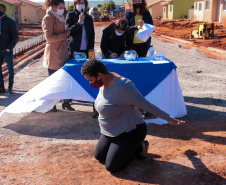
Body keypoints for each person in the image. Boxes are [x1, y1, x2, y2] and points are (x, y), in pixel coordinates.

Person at [81, 59, 185, 173]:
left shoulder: (123, 87)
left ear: (99, 75)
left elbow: (146, 104)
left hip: (129, 131)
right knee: (99, 156)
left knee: (112, 167)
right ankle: (123, 148)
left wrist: (168, 118)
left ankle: (140, 147)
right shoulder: (105, 79)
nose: (90, 84)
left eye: (91, 80)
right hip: (110, 131)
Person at [42, 0, 75, 111]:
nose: (63, 9)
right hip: (54, 54)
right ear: (54, 7)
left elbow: (60, 33)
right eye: (61, 7)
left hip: (63, 53)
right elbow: (49, 38)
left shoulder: (60, 17)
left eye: (63, 7)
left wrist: (66, 32)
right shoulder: (48, 18)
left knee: (65, 79)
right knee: (54, 81)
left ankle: (66, 102)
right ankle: (52, 105)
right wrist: (64, 35)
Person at [0, 4, 18, 94]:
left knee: (10, 69)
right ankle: (1, 87)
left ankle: (10, 87)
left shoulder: (10, 22)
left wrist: (8, 48)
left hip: (7, 51)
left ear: (4, 11)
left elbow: (15, 37)